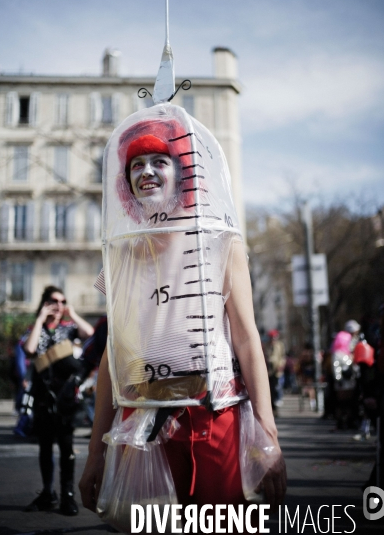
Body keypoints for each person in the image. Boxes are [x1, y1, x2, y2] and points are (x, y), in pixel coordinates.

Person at [79, 108, 287, 527]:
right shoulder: (121, 256)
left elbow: (247, 340)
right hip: (141, 422)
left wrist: (269, 438)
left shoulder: (222, 243)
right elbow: (114, 357)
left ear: (184, 173)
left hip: (215, 417)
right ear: (126, 182)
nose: (147, 172)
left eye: (159, 162)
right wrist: (95, 451)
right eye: (136, 165)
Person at [23, 285, 94, 515]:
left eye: (62, 301)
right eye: (54, 301)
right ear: (44, 302)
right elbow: (30, 349)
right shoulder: (37, 330)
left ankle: (68, 496)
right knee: (45, 447)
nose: (58, 305)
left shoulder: (69, 329)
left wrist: (71, 314)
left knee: (66, 448)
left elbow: (89, 333)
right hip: (43, 397)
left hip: (66, 399)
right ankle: (47, 493)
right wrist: (41, 318)